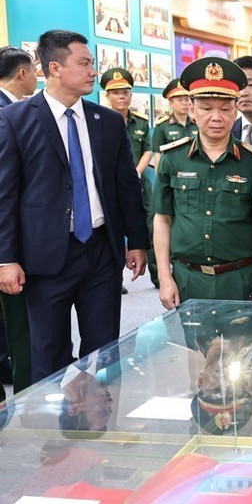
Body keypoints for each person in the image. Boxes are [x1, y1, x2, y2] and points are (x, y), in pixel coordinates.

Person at [0, 29, 148, 384]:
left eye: (92, 63)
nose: (93, 71)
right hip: (45, 257)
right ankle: (53, 421)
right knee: (48, 354)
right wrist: (6, 259)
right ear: (54, 68)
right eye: (84, 63)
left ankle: (101, 415)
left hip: (101, 251)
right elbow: (5, 194)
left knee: (105, 352)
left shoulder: (107, 122)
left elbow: (127, 187)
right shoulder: (16, 119)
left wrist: (137, 241)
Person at [152, 57, 252, 314]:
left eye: (225, 109)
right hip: (188, 280)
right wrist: (164, 277)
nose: (216, 117)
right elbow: (162, 219)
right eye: (206, 108)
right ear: (192, 110)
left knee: (245, 342)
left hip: (242, 280)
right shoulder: (173, 158)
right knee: (193, 342)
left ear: (235, 110)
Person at [0, 46, 37, 391]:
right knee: (21, 327)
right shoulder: (8, 114)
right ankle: (28, 396)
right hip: (8, 239)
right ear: (22, 73)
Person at [100, 67, 151, 295]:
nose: (121, 97)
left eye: (125, 92)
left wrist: (136, 173)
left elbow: (148, 150)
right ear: (107, 96)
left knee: (144, 223)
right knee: (113, 229)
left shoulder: (140, 122)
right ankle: (116, 275)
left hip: (138, 183)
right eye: (116, 93)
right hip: (111, 186)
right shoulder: (99, 120)